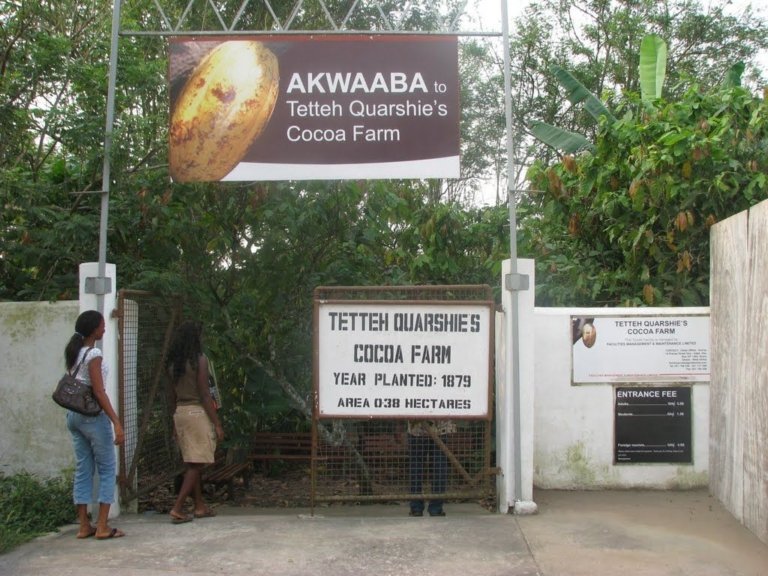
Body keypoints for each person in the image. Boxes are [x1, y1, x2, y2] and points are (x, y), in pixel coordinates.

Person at [64, 310, 125, 539]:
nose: (104, 328)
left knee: (83, 469)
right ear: (94, 330)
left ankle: (83, 526)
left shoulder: (74, 351)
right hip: (92, 417)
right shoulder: (94, 353)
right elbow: (98, 391)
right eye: (102, 325)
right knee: (108, 468)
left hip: (74, 416)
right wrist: (116, 422)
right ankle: (102, 526)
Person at [166, 320, 224, 524]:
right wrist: (216, 423)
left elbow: (171, 396)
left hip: (180, 413)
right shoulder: (199, 361)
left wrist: (174, 422)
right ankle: (178, 507)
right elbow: (205, 394)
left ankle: (199, 505)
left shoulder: (174, 364)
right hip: (196, 413)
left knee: (192, 462)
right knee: (197, 463)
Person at [407, 420, 455, 517]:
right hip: (441, 428)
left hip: (417, 427)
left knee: (416, 465)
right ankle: (436, 508)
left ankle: (416, 508)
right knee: (439, 464)